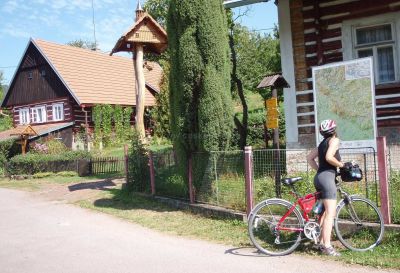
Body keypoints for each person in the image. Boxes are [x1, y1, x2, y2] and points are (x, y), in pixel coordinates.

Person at [306, 119, 344, 256]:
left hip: (319, 178)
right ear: (334, 130)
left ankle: (321, 243)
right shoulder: (334, 140)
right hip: (327, 179)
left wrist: (320, 170)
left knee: (322, 213)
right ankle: (327, 247)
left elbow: (309, 158)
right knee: (330, 214)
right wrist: (342, 165)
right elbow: (329, 157)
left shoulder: (321, 144)